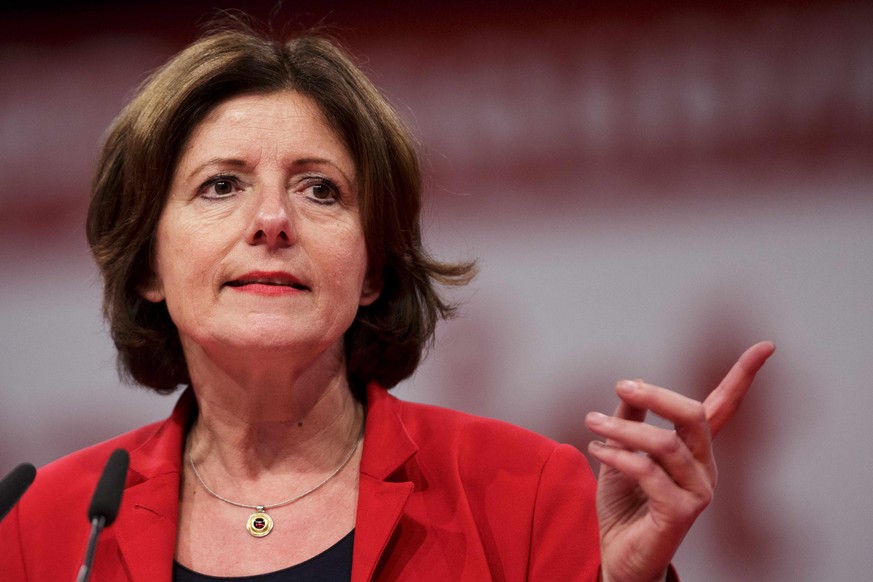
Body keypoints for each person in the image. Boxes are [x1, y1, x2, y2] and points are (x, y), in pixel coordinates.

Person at [0, 20, 774, 582]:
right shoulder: (46, 527)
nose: (272, 221)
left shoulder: (525, 492)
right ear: (148, 265)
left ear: (371, 267)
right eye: (220, 185)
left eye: (319, 190)